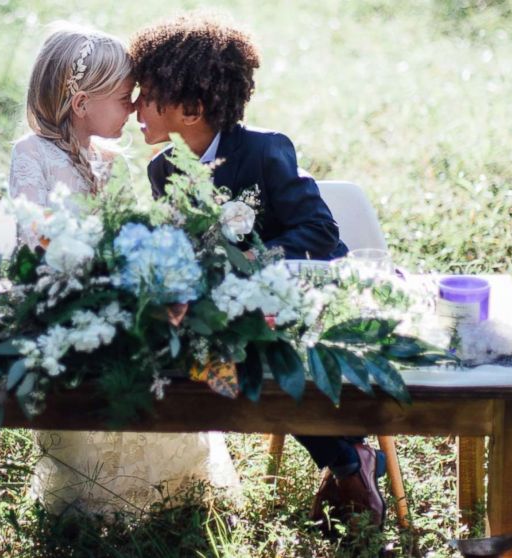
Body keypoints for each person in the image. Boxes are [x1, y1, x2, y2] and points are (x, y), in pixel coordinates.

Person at [128, 15, 386, 530]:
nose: (135, 106)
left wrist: (246, 263)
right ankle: (351, 451)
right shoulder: (162, 171)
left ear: (192, 107)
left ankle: (345, 460)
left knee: (266, 353)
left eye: (147, 94)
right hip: (232, 310)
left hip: (307, 295)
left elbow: (317, 231)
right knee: (205, 357)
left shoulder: (267, 150)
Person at [4, 25, 240, 518]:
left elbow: (129, 233)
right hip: (58, 298)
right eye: (124, 97)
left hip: (109, 292)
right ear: (82, 103)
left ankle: (168, 483)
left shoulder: (110, 160)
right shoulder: (31, 155)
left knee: (156, 339)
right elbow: (33, 240)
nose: (134, 108)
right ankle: (98, 488)